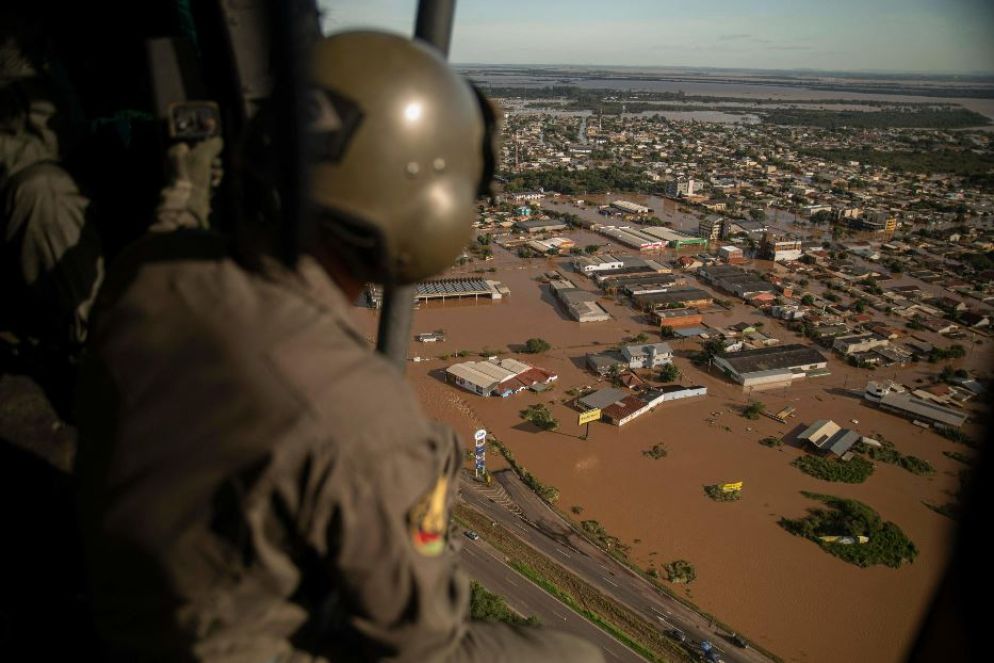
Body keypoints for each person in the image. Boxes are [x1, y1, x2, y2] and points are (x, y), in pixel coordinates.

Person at [75, 31, 602, 662]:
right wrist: (426, 469)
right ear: (425, 211)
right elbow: (422, 644)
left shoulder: (154, 266)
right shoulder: (357, 411)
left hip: (123, 602)